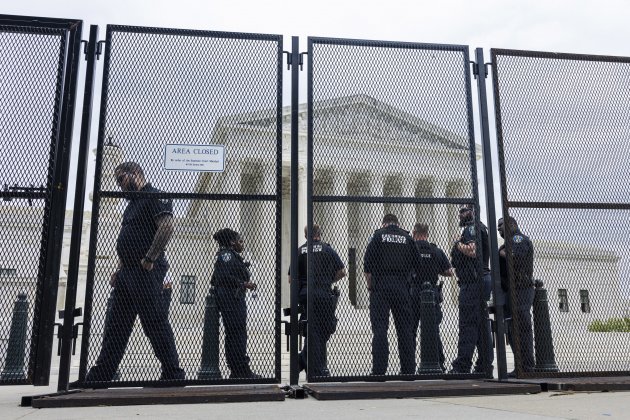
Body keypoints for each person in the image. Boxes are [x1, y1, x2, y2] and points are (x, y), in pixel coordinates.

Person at [84, 162, 185, 384]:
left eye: (121, 179)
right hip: (127, 272)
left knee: (154, 323)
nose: (119, 185)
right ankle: (101, 376)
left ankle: (173, 374)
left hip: (145, 271)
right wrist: (119, 269)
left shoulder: (155, 196)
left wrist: (150, 258)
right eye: (117, 181)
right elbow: (128, 239)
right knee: (116, 325)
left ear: (136, 174)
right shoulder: (131, 205)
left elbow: (167, 226)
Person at [364, 214, 422, 375]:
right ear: (398, 223)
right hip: (402, 286)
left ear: (383, 223)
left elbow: (367, 266)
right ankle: (408, 370)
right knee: (405, 329)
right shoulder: (407, 238)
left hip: (380, 286)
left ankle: (379, 371)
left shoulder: (377, 236)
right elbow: (418, 264)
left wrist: (370, 286)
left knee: (380, 329)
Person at [290, 225, 346, 377]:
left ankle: (308, 363)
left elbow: (291, 278)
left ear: (306, 235)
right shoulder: (327, 249)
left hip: (305, 295)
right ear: (319, 234)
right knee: (323, 329)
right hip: (323, 293)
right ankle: (310, 365)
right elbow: (342, 271)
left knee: (312, 330)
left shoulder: (300, 251)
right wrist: (329, 280)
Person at [449, 204, 494, 375]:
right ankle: (484, 366)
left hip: (473, 283)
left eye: (464, 211)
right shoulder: (481, 228)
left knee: (468, 325)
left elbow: (472, 251)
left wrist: (457, 243)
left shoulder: (471, 229)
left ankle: (462, 366)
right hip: (480, 281)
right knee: (482, 326)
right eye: (460, 212)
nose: (460, 215)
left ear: (473, 212)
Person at [211, 228, 261, 379]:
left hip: (233, 299)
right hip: (231, 300)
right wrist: (243, 284)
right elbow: (222, 277)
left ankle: (237, 369)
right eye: (240, 240)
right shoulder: (227, 255)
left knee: (235, 335)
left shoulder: (230, 255)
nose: (242, 243)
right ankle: (240, 370)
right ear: (232, 242)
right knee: (237, 335)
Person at [411, 223, 454, 372]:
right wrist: (436, 270)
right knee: (433, 330)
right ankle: (439, 363)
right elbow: (449, 272)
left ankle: (409, 366)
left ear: (414, 233)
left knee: (411, 331)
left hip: (413, 292)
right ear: (427, 234)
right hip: (432, 292)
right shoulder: (436, 250)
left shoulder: (410, 249)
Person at [498, 216, 535, 377]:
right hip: (511, 291)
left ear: (512, 225)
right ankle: (520, 366)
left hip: (521, 288)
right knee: (513, 330)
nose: (499, 229)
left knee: (521, 328)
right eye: (498, 227)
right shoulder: (507, 243)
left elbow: (517, 259)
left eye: (501, 226)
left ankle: (527, 366)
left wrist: (502, 252)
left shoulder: (518, 239)